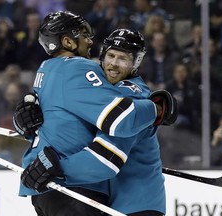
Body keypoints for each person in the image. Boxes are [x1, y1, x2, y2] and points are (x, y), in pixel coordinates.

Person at [14, 20, 177, 216]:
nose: (114, 64)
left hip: (137, 204)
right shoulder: (101, 89)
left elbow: (106, 158)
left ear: (136, 63)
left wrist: (55, 169)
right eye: (110, 55)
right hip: (113, 203)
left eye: (123, 59)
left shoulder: (133, 96)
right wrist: (30, 119)